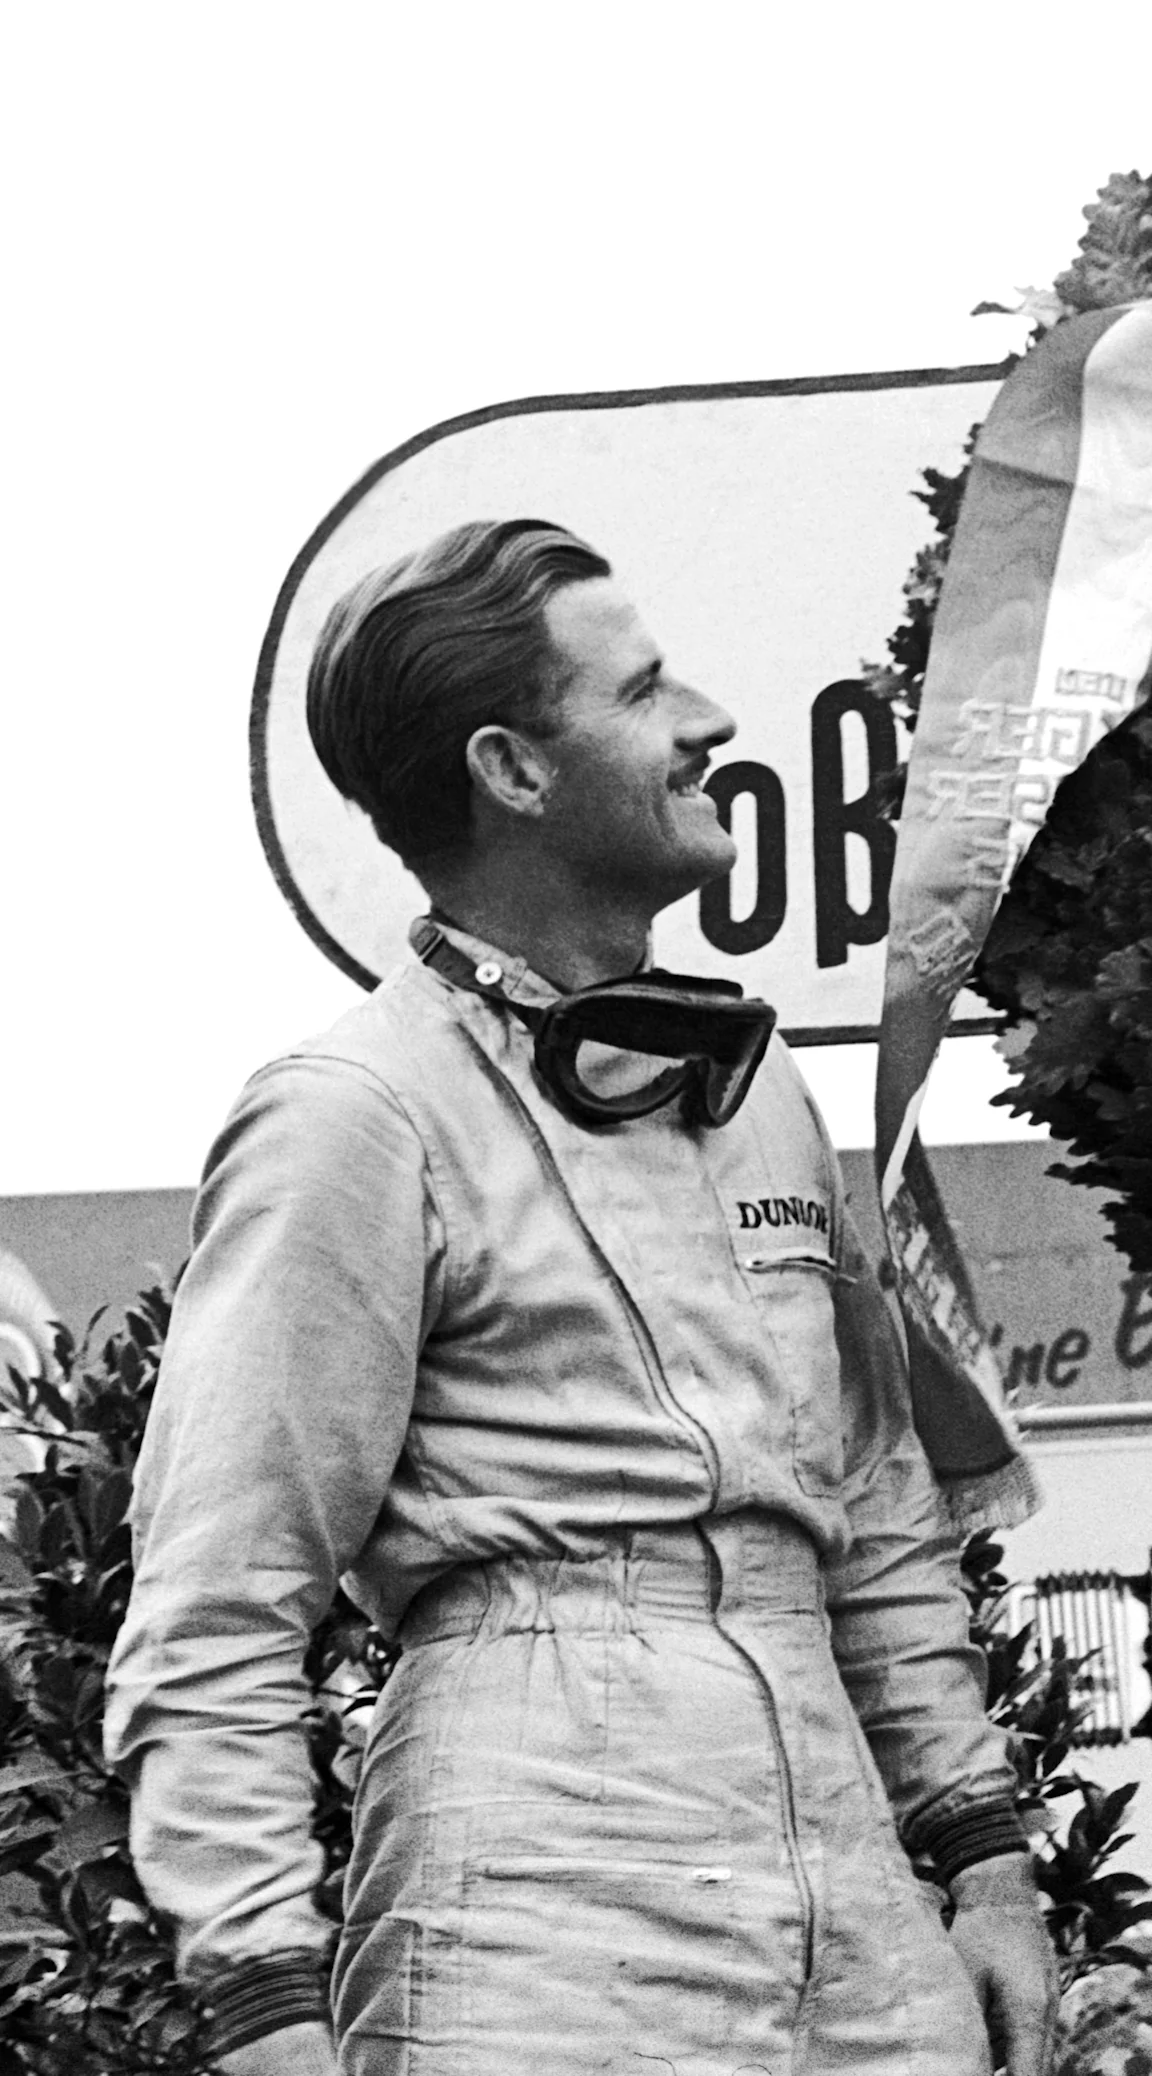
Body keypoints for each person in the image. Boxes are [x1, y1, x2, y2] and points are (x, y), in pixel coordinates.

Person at [104, 521, 1055, 2075]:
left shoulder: (759, 1097)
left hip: (854, 1896)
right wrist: (265, 2010)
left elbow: (875, 1508)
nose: (712, 724)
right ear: (514, 768)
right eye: (645, 691)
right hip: (532, 1901)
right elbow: (216, 1608)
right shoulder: (354, 1114)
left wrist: (988, 1859)